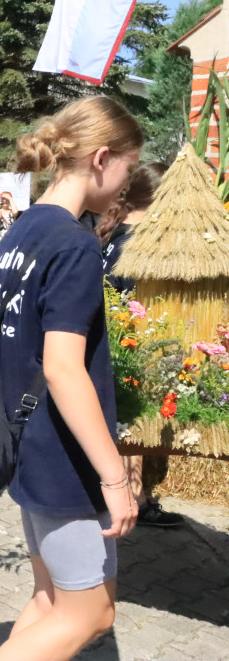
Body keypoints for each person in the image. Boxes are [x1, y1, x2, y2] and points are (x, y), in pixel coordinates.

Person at [0, 96, 141, 660]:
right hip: (64, 457)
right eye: (127, 168)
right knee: (91, 613)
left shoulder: (20, 233)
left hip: (28, 443)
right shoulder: (73, 242)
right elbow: (62, 366)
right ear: (102, 157)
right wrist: (115, 477)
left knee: (53, 601)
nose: (125, 185)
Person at [96, 162, 184, 529]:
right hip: (128, 345)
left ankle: (135, 495)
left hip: (110, 344)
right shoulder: (137, 245)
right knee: (133, 422)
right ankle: (135, 498)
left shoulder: (114, 234)